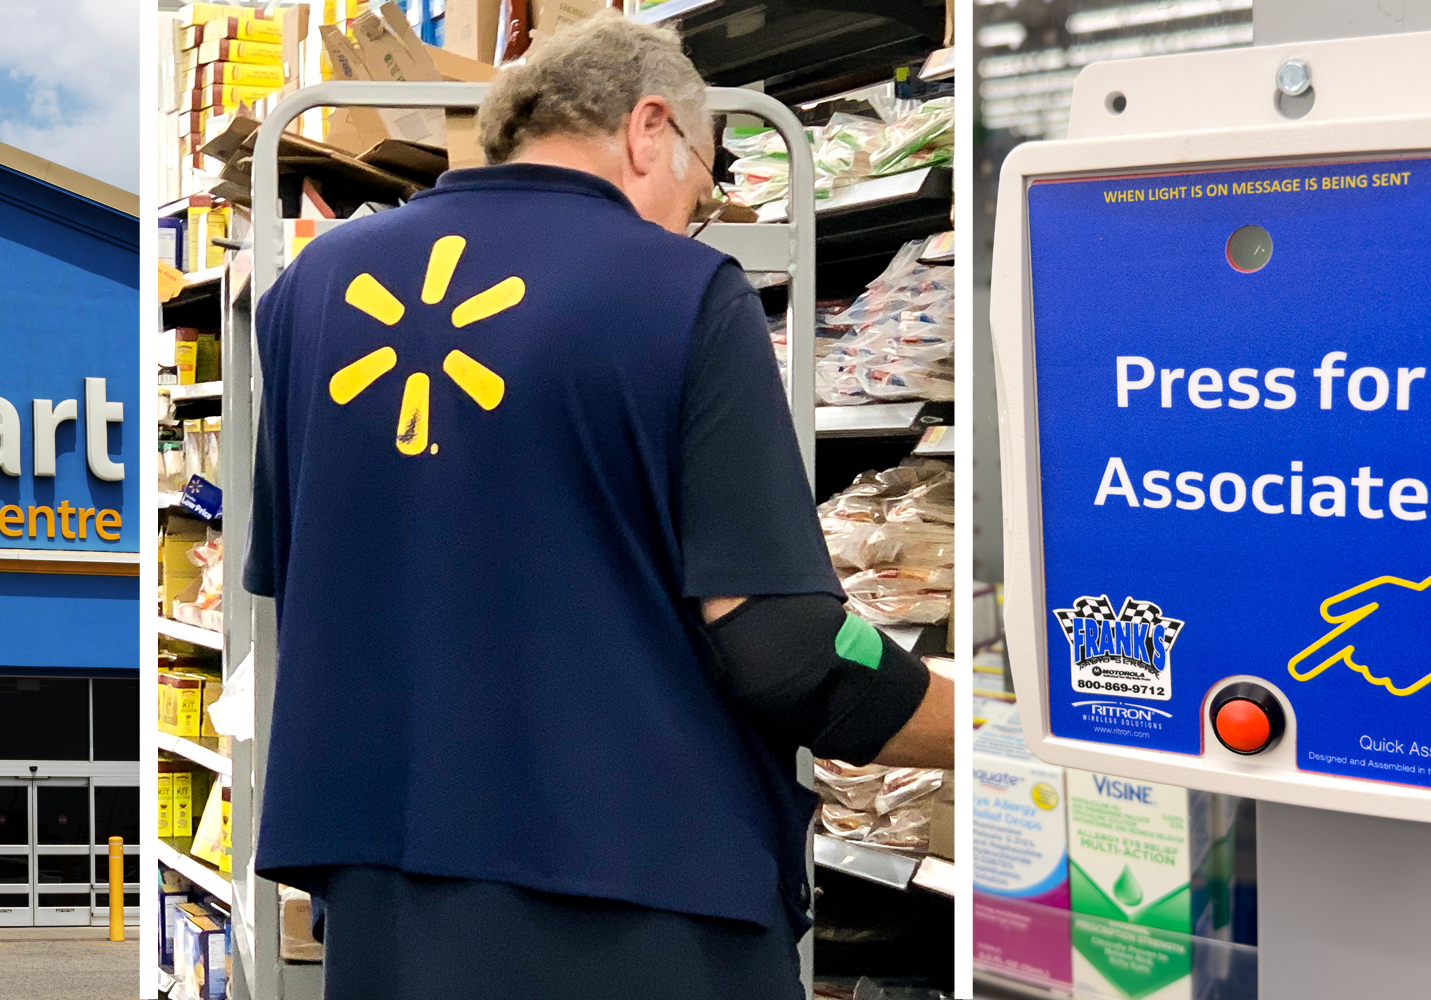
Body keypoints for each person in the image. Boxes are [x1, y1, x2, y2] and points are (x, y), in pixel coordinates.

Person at [243, 12, 953, 998]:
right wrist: (982, 727)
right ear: (648, 129)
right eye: (703, 188)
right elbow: (784, 644)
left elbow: (304, 580)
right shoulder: (681, 291)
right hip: (633, 903)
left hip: (383, 896)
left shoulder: (310, 288)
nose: (694, 218)